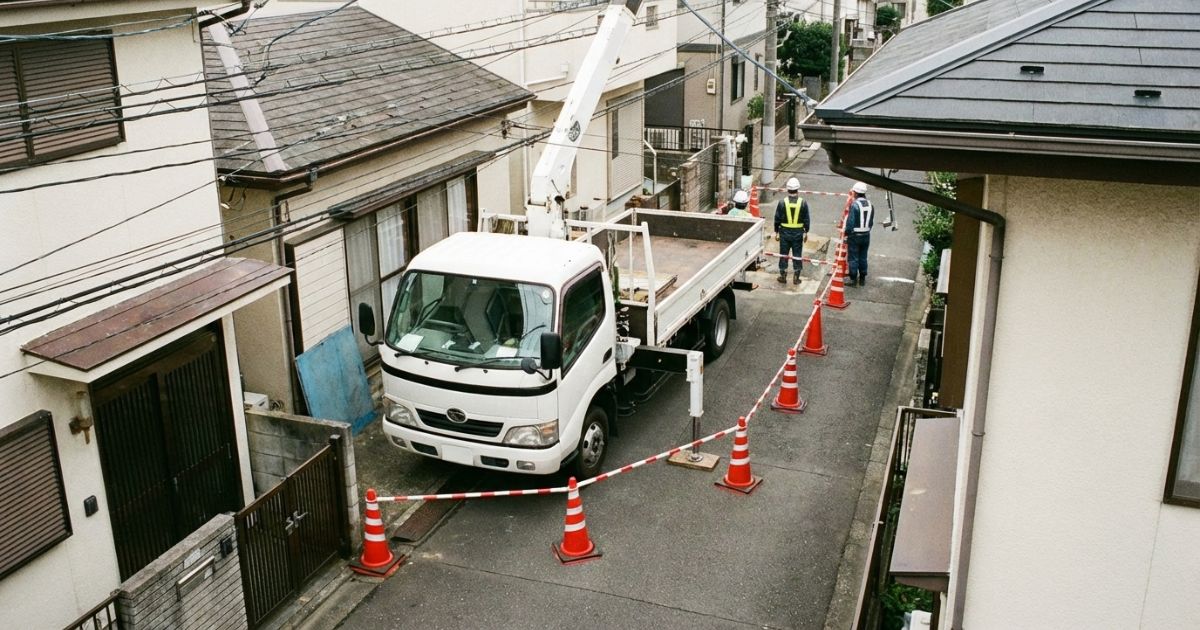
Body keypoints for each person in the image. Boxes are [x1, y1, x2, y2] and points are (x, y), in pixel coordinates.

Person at [773, 177, 810, 284]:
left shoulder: (782, 203)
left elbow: (777, 218)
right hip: (798, 233)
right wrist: (806, 231)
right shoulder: (803, 203)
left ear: (787, 189)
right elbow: (806, 219)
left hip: (784, 232)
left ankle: (783, 275)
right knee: (797, 254)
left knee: (784, 253)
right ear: (797, 190)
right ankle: (796, 277)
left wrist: (776, 231)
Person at [844, 181, 874, 286]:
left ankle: (853, 279)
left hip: (855, 236)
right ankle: (862, 278)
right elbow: (871, 222)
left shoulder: (855, 205)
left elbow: (850, 223)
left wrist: (846, 234)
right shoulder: (871, 205)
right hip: (866, 235)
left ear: (856, 193)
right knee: (863, 256)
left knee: (853, 257)